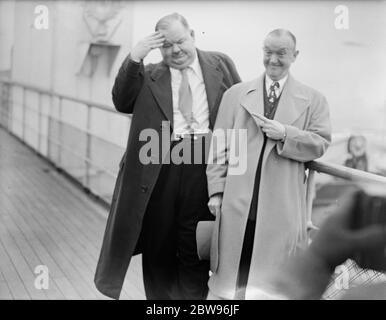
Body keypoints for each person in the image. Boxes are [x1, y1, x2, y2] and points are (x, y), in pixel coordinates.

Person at [94, 13, 241, 300]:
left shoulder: (220, 64)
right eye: (167, 46)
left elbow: (240, 112)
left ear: (193, 35)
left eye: (180, 41)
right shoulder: (149, 75)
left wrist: (231, 176)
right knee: (158, 245)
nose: (176, 50)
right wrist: (134, 57)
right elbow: (122, 101)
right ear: (159, 49)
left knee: (195, 243)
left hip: (204, 164)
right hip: (160, 166)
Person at [206, 29, 331, 299]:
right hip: (238, 203)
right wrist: (216, 191)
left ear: (295, 56)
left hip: (281, 208)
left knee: (268, 285)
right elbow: (220, 147)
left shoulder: (314, 100)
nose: (273, 60)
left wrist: (286, 133)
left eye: (281, 53)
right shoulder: (235, 95)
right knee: (232, 278)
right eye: (268, 52)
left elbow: (320, 143)